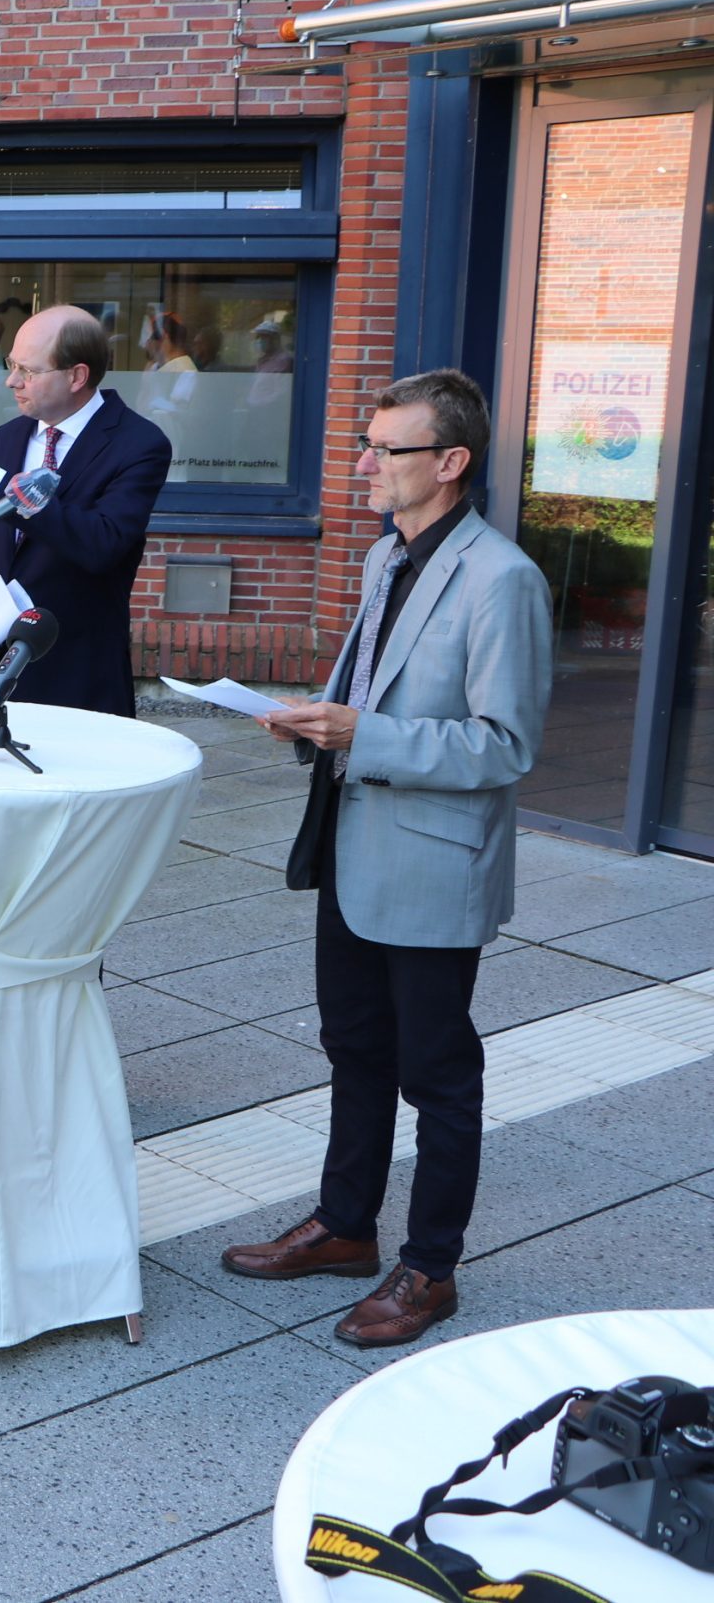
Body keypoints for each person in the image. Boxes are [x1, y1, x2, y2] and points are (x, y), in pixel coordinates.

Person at [222, 370, 551, 1348]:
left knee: (437, 1074)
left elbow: (503, 747)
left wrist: (359, 733)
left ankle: (429, 1268)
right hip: (351, 844)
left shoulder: (502, 580)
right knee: (352, 1047)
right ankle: (344, 1226)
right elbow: (366, 685)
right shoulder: (384, 559)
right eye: (365, 446)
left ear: (447, 463)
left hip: (433, 867)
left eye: (384, 450)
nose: (363, 465)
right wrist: (310, 722)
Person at [0, 303, 173, 716]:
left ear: (77, 376)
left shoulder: (138, 444)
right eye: (11, 365)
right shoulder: (9, 435)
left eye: (29, 371)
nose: (11, 381)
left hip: (73, 664)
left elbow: (102, 544)